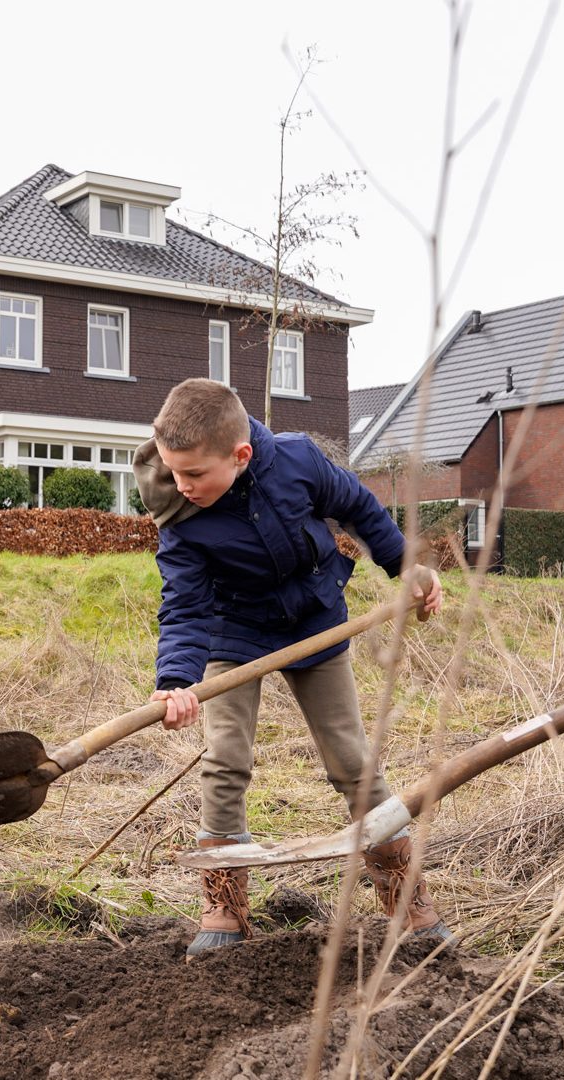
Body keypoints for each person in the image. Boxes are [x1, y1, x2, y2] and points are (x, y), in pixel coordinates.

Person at [135, 378, 445, 956]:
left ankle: (408, 900)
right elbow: (184, 605)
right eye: (174, 473)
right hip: (234, 634)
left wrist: (405, 567)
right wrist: (176, 683)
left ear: (241, 454)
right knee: (225, 759)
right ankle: (224, 904)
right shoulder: (183, 514)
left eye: (194, 474)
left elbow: (359, 509)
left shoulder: (299, 461)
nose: (182, 486)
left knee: (352, 760)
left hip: (315, 621)